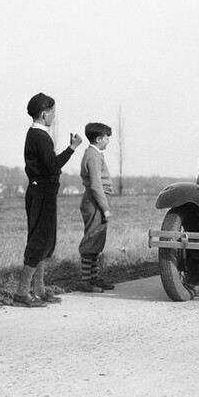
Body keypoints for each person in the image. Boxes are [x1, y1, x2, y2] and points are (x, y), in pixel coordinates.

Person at [13, 93, 83, 308]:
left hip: (43, 192)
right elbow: (53, 165)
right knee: (39, 241)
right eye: (52, 112)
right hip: (41, 192)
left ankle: (39, 290)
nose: (54, 116)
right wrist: (71, 148)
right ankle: (22, 293)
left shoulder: (38, 134)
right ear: (45, 114)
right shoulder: (40, 136)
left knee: (45, 240)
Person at [78, 122, 116, 293]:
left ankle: (93, 278)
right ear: (99, 138)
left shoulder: (96, 154)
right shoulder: (93, 156)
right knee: (91, 240)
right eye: (106, 137)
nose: (108, 141)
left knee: (96, 241)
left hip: (96, 201)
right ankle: (86, 282)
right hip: (94, 202)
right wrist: (105, 208)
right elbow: (95, 185)